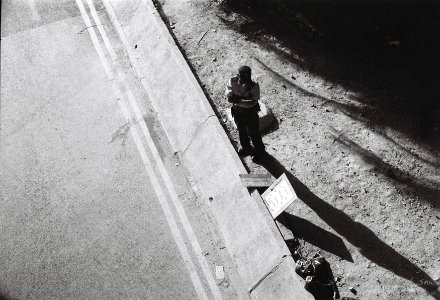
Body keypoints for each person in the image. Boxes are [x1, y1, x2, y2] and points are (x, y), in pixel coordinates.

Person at [225, 66, 266, 162]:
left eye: (245, 80)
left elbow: (252, 102)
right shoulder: (233, 81)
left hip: (250, 113)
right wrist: (229, 93)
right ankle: (245, 147)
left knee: (254, 133)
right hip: (238, 111)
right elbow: (228, 92)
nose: (242, 82)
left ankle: (260, 151)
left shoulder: (254, 86)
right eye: (241, 78)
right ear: (237, 75)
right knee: (241, 131)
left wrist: (237, 100)